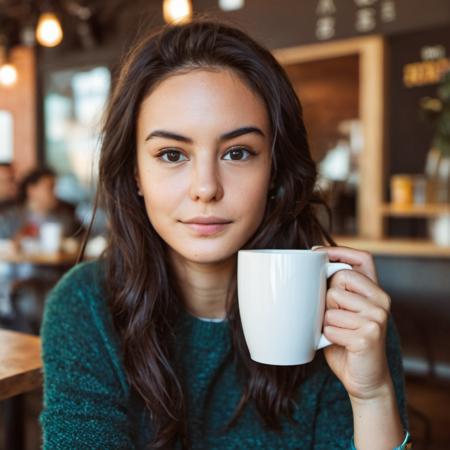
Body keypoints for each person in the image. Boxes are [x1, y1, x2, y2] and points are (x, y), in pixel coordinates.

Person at [39, 19, 410, 449]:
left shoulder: (343, 309)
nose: (206, 187)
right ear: (136, 173)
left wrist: (372, 395)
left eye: (238, 152)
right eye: (172, 154)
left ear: (274, 169)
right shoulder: (86, 306)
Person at [0, 167, 81, 242]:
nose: (56, 193)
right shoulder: (8, 218)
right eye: (50, 187)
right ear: (31, 190)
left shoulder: (66, 216)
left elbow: (83, 238)